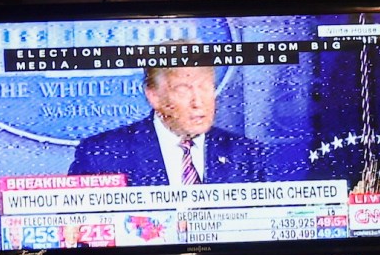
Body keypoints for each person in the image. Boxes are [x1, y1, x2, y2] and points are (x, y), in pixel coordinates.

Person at [68, 64, 261, 184]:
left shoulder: (247, 154)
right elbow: (77, 229)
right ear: (154, 96)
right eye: (183, 90)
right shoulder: (103, 154)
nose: (198, 101)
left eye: (204, 87)